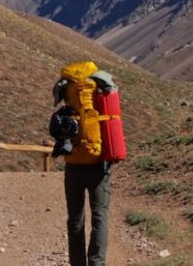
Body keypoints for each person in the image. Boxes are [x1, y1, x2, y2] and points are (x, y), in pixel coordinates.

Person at [58, 61, 113, 266]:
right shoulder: (99, 87)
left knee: (75, 218)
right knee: (99, 216)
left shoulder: (67, 88)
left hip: (73, 163)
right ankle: (97, 262)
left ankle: (77, 263)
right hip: (98, 164)